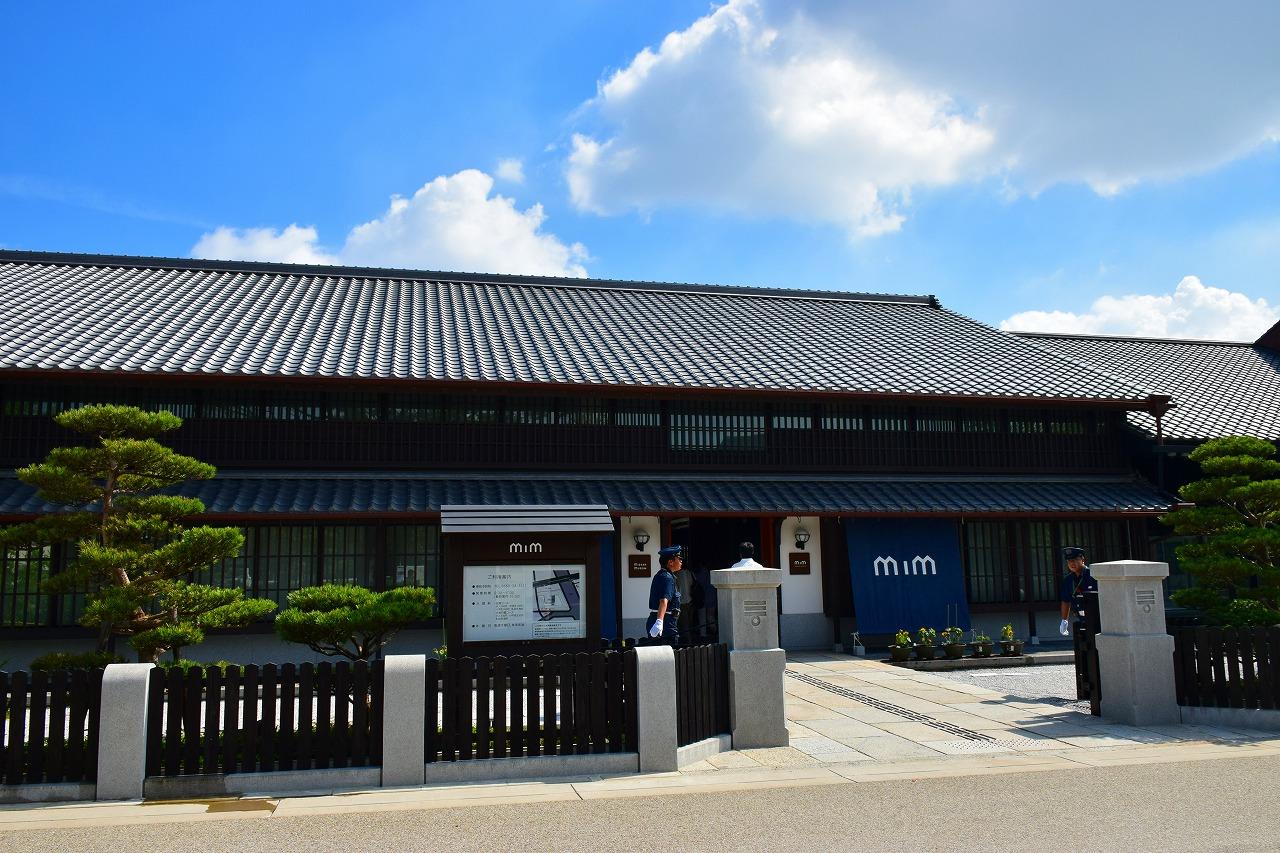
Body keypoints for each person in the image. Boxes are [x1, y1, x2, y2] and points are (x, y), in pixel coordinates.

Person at [646, 545, 683, 644]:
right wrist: (659, 621)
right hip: (665, 622)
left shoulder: (663, 575)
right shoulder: (667, 577)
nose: (681, 561)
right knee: (669, 651)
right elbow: (663, 600)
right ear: (670, 562)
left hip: (664, 619)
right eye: (679, 559)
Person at [1059, 546, 1097, 636]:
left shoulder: (1093, 575)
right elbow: (1065, 601)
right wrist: (1064, 620)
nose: (1072, 563)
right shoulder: (1068, 580)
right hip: (1081, 619)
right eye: (1069, 561)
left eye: (1075, 560)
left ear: (1082, 560)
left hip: (1097, 618)